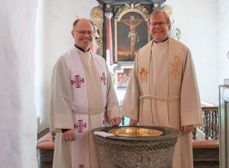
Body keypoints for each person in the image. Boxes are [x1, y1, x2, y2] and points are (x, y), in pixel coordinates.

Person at [121, 9, 202, 168]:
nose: (157, 27)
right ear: (148, 27)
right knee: (150, 157)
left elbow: (189, 85)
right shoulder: (142, 53)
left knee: (174, 155)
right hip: (147, 115)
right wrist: (132, 115)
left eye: (161, 23)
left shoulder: (183, 51)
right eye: (153, 24)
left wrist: (188, 118)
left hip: (174, 115)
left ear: (169, 25)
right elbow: (134, 86)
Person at [49, 18, 121, 168]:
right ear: (72, 34)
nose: (86, 36)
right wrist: (65, 126)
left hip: (98, 125)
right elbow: (59, 95)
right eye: (81, 32)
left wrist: (113, 113)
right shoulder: (64, 61)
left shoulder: (100, 61)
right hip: (76, 126)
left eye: (89, 32)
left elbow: (110, 91)